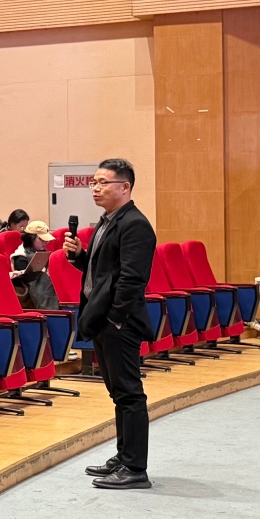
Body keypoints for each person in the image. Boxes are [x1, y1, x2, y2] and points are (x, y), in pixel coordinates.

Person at [67, 160, 157, 490]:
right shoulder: (108, 221)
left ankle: (135, 467)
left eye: (103, 182)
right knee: (118, 393)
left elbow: (133, 279)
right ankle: (124, 456)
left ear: (125, 187)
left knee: (129, 394)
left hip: (119, 323)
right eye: (93, 182)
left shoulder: (135, 225)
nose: (95, 188)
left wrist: (116, 319)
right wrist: (80, 256)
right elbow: (104, 273)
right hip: (105, 319)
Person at [11, 221, 62, 312]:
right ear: (31, 238)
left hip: (44, 290)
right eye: (41, 239)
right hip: (30, 291)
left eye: (46, 240)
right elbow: (24, 280)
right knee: (42, 277)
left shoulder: (43, 252)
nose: (45, 242)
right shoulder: (20, 257)